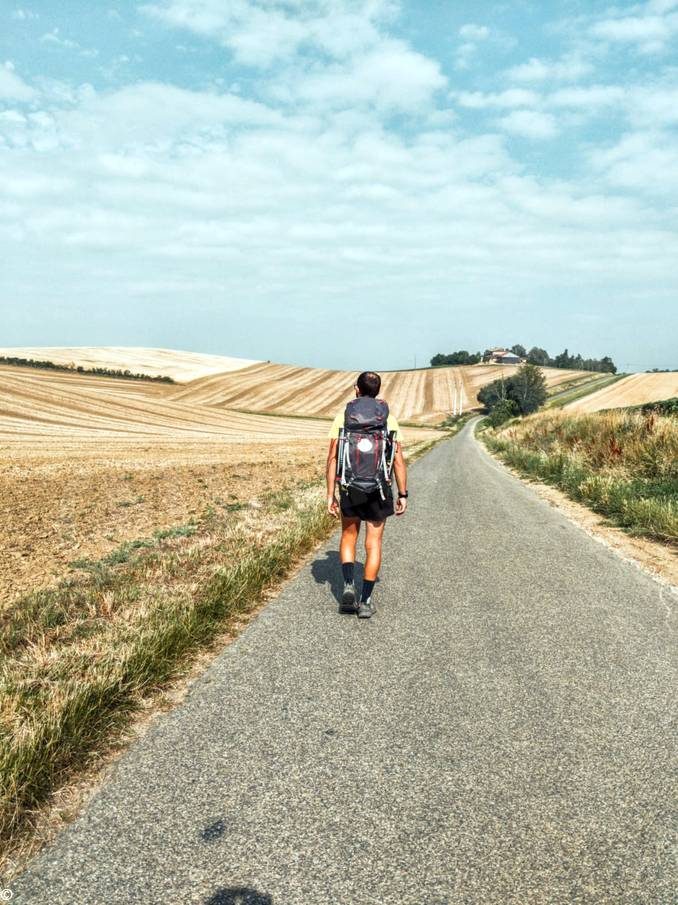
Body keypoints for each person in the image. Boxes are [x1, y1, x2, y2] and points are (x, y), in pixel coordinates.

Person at [325, 371, 408, 618]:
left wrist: (331, 495)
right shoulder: (388, 420)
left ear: (356, 389)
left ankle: (348, 586)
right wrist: (403, 494)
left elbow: (332, 458)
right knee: (373, 544)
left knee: (348, 536)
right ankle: (366, 600)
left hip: (350, 486)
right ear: (378, 391)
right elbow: (398, 461)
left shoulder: (343, 417)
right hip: (379, 489)